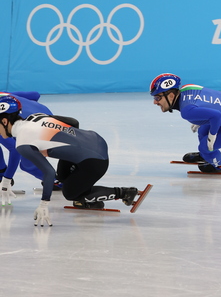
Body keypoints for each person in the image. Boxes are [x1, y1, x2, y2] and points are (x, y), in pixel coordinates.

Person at [0, 95, 140, 226]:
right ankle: (83, 186)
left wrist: (44, 203)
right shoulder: (35, 117)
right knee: (61, 178)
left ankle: (124, 192)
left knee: (70, 194)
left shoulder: (23, 143)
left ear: (5, 121)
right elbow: (73, 122)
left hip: (95, 160)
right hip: (96, 139)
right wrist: (73, 143)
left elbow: (48, 172)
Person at [150, 73, 221, 173]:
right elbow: (207, 100)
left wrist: (212, 136)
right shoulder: (187, 88)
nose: (155, 102)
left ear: (171, 96)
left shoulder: (187, 111)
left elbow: (216, 115)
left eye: (157, 98)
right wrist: (200, 118)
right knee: (202, 131)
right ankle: (206, 156)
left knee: (205, 146)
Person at [0, 92, 61, 194]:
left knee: (27, 165)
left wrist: (7, 178)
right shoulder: (3, 95)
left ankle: (57, 182)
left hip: (42, 129)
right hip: (48, 118)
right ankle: (1, 173)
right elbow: (35, 95)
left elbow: (15, 151)